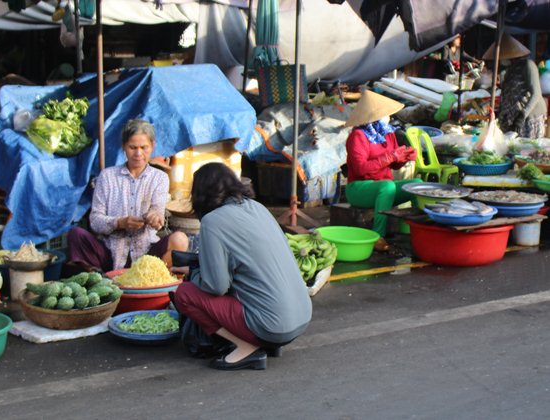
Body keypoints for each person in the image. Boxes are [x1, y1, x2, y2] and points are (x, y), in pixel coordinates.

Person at [172, 163, 312, 371]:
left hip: (271, 325)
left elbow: (216, 287)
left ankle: (247, 347)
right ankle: (266, 342)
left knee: (184, 293)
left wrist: (195, 276)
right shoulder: (258, 208)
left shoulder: (213, 221)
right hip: (301, 318)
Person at [67, 119, 189, 272]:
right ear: (124, 146)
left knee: (180, 239)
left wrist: (155, 217)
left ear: (152, 146)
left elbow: (158, 211)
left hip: (147, 256)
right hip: (110, 254)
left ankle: (152, 279)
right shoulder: (107, 176)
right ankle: (101, 279)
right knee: (75, 235)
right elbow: (95, 221)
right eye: (132, 147)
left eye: (144, 147)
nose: (138, 153)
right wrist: (119, 223)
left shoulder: (159, 178)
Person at [344, 90, 420, 252]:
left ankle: (417, 228)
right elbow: (361, 169)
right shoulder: (357, 136)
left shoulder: (387, 134)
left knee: (417, 184)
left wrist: (404, 158)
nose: (389, 118)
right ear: (374, 116)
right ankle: (377, 235)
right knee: (387, 187)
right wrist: (390, 156)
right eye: (385, 114)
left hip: (384, 187)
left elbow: (393, 165)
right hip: (359, 188)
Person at [483, 34, 547, 138]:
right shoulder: (510, 70)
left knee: (526, 150)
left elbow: (536, 94)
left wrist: (522, 115)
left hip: (529, 117)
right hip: (514, 118)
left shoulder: (528, 65)